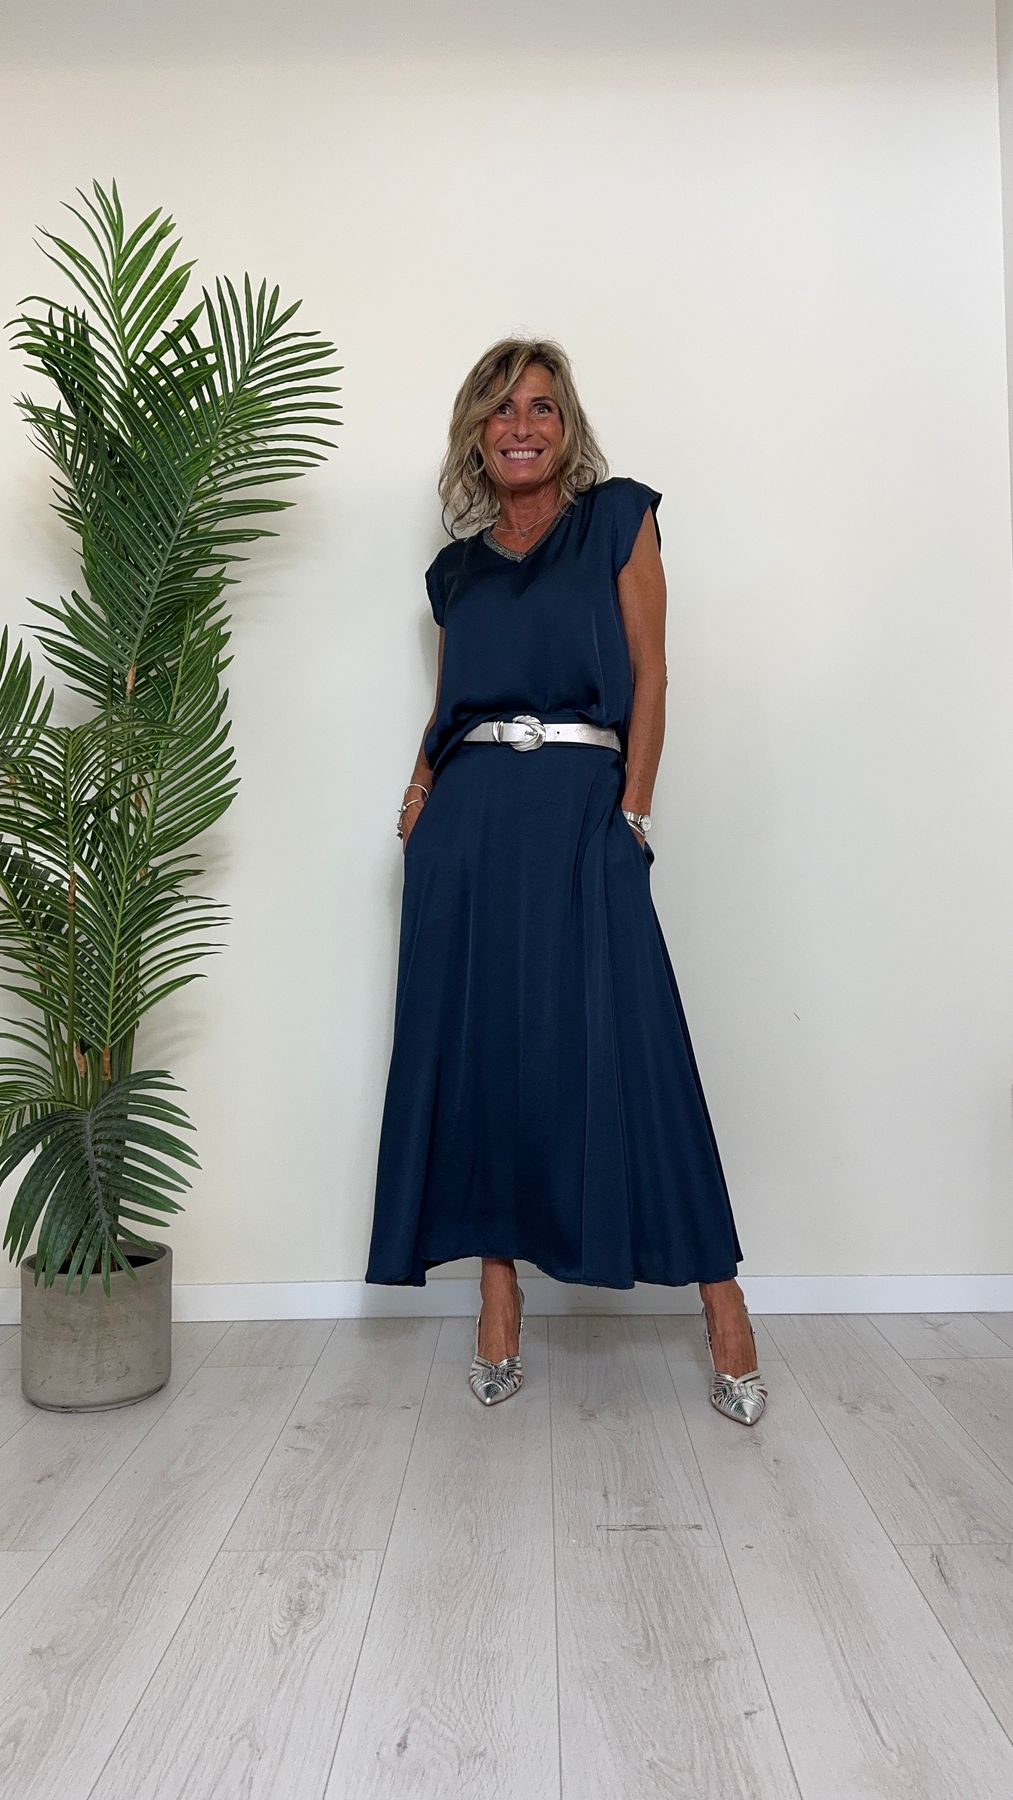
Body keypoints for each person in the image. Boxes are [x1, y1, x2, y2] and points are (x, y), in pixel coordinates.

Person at [365, 337, 767, 1427]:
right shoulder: (456, 572)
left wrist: (631, 814)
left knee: (638, 1048)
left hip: (584, 810)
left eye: (540, 406)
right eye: (500, 409)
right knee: (487, 1055)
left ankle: (723, 1305)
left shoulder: (617, 520)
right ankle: (497, 1300)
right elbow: (450, 700)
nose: (520, 426)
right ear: (475, 433)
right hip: (468, 825)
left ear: (565, 423)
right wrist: (418, 791)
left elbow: (652, 672)